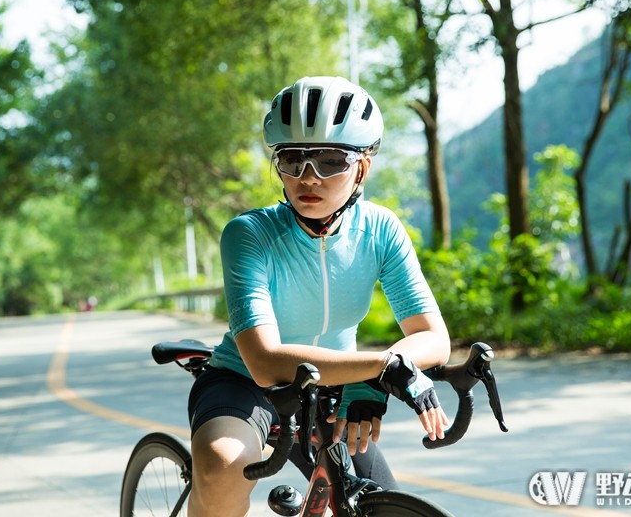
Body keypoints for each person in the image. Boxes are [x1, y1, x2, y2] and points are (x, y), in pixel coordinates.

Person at [187, 76, 451, 517]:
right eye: (292, 159)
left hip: (334, 389)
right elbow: (265, 361)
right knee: (221, 463)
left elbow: (432, 336)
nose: (308, 178)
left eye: (330, 161)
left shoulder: (381, 230)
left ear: (362, 168)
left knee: (377, 505)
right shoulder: (249, 233)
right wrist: (383, 367)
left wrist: (370, 379)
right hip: (243, 383)